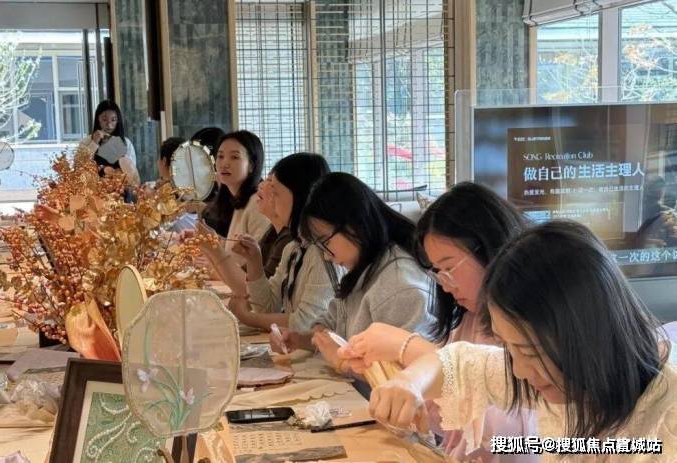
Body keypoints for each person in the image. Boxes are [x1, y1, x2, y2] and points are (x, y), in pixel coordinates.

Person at [342, 221, 676, 461]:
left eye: (528, 351)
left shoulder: (666, 423)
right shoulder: (562, 377)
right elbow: (459, 362)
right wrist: (408, 383)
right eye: (509, 347)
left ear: (588, 332)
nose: (518, 370)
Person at [329, 182, 535, 461]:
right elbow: (444, 420)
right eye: (438, 271)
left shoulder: (532, 328)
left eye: (449, 267)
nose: (445, 285)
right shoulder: (469, 318)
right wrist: (393, 376)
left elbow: (510, 434)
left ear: (490, 247)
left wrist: (407, 348)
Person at [269, 172, 435, 375]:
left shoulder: (399, 283)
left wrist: (342, 360)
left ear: (354, 224)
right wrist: (301, 339)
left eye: (326, 242)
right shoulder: (365, 266)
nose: (327, 256)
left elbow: (407, 375)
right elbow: (331, 324)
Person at [217, 153, 334, 332]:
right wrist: (254, 262)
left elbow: (306, 323)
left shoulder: (322, 253)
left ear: (300, 195)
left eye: (276, 192)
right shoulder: (293, 248)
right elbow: (268, 307)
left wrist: (247, 317)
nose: (270, 197)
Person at [196, 130, 270, 266]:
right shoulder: (238, 199)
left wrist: (214, 265)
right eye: (220, 156)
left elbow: (257, 265)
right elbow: (235, 250)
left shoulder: (257, 203)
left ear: (251, 166)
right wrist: (205, 240)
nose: (224, 164)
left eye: (234, 157)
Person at [79, 100, 140, 186]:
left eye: (113, 120)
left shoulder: (126, 143)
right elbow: (79, 166)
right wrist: (94, 143)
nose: (109, 124)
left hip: (120, 190)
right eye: (104, 120)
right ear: (98, 119)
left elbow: (133, 176)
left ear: (118, 121)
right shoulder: (87, 141)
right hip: (93, 190)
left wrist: (118, 150)